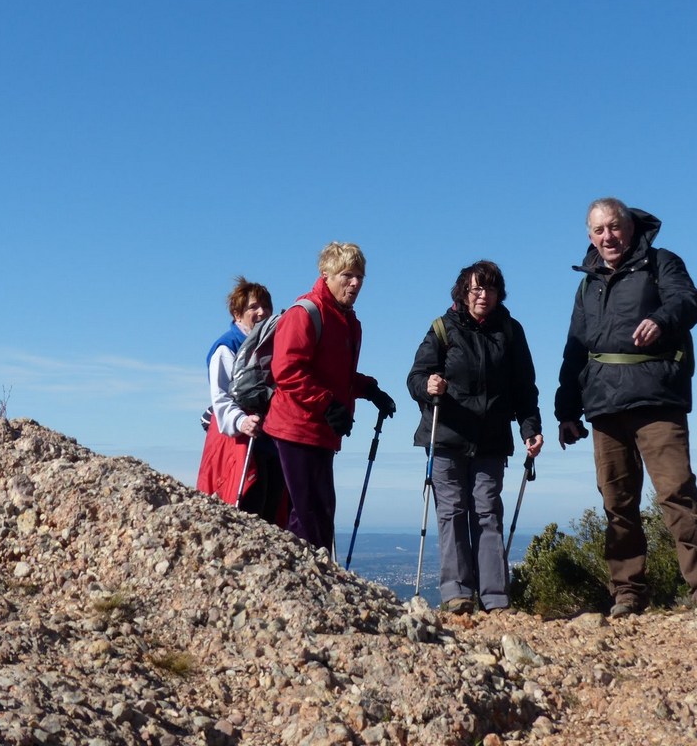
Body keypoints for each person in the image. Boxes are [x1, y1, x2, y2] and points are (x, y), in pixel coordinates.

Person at [555, 198, 697, 617]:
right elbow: (576, 351)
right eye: (598, 231)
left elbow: (690, 301)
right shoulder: (588, 283)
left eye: (614, 227)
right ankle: (628, 592)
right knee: (617, 502)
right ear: (589, 236)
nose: (607, 237)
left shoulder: (660, 262)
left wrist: (663, 320)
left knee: (676, 493)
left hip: (656, 398)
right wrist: (565, 411)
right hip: (604, 405)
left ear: (630, 228)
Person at [407, 260, 543, 615]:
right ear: (463, 292)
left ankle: (495, 597)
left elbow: (524, 388)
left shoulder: (510, 332)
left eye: (491, 289)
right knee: (452, 511)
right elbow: (416, 376)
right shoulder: (442, 329)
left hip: (491, 439)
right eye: (476, 288)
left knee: (486, 512)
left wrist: (531, 429)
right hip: (448, 435)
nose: (483, 295)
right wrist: (428, 385)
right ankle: (457, 595)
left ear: (499, 294)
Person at [263, 242, 396, 551]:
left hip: (321, 429)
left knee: (319, 511)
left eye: (360, 276)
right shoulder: (306, 312)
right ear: (326, 275)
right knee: (310, 514)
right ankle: (304, 585)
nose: (355, 283)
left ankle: (310, 582)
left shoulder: (347, 321)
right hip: (296, 427)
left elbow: (338, 376)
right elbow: (287, 370)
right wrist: (328, 404)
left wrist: (369, 390)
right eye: (347, 275)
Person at [196, 277, 287, 525]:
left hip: (267, 438)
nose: (262, 312)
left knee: (271, 506)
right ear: (237, 313)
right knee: (249, 505)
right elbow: (221, 397)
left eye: (266, 306)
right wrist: (241, 421)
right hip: (238, 441)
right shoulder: (227, 347)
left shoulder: (272, 344)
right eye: (253, 307)